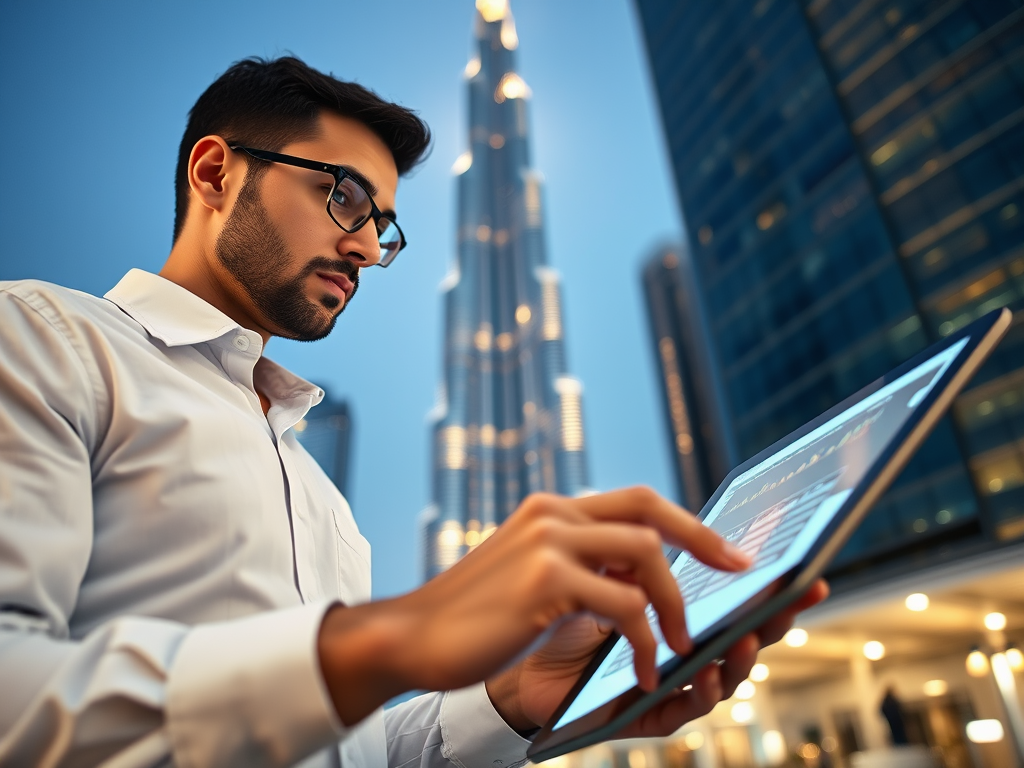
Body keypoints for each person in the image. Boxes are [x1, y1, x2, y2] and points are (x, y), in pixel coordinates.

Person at [0, 56, 828, 767]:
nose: (366, 246)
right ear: (216, 173)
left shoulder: (314, 489)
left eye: (384, 227)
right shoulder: (43, 342)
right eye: (344, 197)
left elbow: (340, 751)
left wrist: (512, 696)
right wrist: (391, 637)